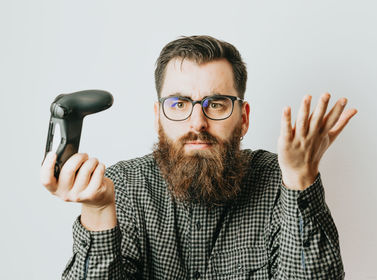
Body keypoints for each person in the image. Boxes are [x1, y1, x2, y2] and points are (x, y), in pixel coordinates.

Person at [40, 35, 357, 279]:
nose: (197, 123)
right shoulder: (124, 186)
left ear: (243, 118)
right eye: (179, 103)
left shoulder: (281, 180)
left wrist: (301, 179)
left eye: (216, 104)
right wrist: (97, 212)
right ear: (158, 117)